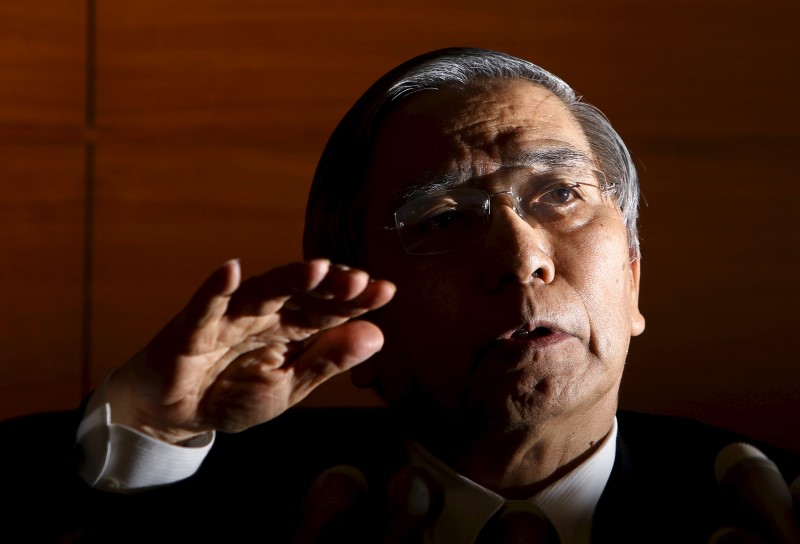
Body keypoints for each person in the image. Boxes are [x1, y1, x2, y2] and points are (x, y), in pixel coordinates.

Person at [6, 47, 798, 543]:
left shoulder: (758, 502)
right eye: (444, 217)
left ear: (631, 276)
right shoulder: (258, 508)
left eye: (561, 195)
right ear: (354, 308)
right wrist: (153, 421)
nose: (522, 259)